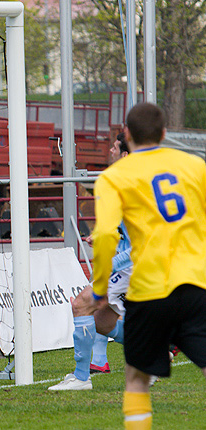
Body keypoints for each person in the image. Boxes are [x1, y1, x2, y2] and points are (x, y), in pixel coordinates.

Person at [90, 102, 206, 429]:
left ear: (126, 134)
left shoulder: (114, 177)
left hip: (148, 290)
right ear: (165, 133)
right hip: (196, 284)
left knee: (137, 378)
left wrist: (100, 288)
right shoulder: (194, 165)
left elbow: (104, 237)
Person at [49, 133, 131, 391]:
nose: (110, 151)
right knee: (103, 323)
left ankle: (81, 378)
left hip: (134, 264)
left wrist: (113, 264)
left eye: (115, 148)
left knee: (81, 304)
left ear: (126, 154)